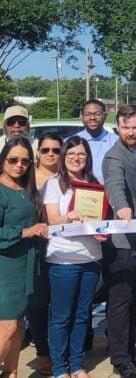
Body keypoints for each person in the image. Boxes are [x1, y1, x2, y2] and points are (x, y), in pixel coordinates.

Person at [44, 136, 104, 378]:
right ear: (63, 157)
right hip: (63, 260)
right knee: (61, 316)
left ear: (87, 158)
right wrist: (70, 216)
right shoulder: (54, 183)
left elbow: (98, 220)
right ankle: (60, 368)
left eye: (81, 154)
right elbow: (52, 219)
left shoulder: (94, 184)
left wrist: (101, 232)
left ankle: (77, 365)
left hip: (91, 258)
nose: (76, 158)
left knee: (82, 315)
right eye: (71, 154)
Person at [102, 105, 136, 378]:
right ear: (118, 127)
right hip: (121, 241)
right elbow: (114, 185)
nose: (132, 132)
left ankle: (133, 349)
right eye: (126, 127)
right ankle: (120, 359)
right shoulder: (113, 156)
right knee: (121, 300)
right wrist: (121, 207)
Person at [0, 137, 48, 378]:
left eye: (25, 161)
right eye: (13, 159)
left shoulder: (26, 190)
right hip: (5, 267)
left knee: (18, 326)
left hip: (27, 266)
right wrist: (25, 231)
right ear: (3, 160)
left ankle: (12, 373)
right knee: (7, 328)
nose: (19, 165)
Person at [27, 133, 63, 376]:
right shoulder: (26, 178)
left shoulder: (68, 177)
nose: (51, 154)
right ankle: (42, 351)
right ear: (37, 153)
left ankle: (63, 350)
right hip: (35, 248)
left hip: (62, 249)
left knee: (59, 304)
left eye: (56, 150)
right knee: (38, 304)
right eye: (46, 150)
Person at [75, 99, 118, 184]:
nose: (92, 118)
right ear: (81, 116)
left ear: (105, 116)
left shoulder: (116, 142)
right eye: (87, 114)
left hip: (108, 194)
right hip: (79, 192)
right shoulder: (71, 142)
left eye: (97, 114)